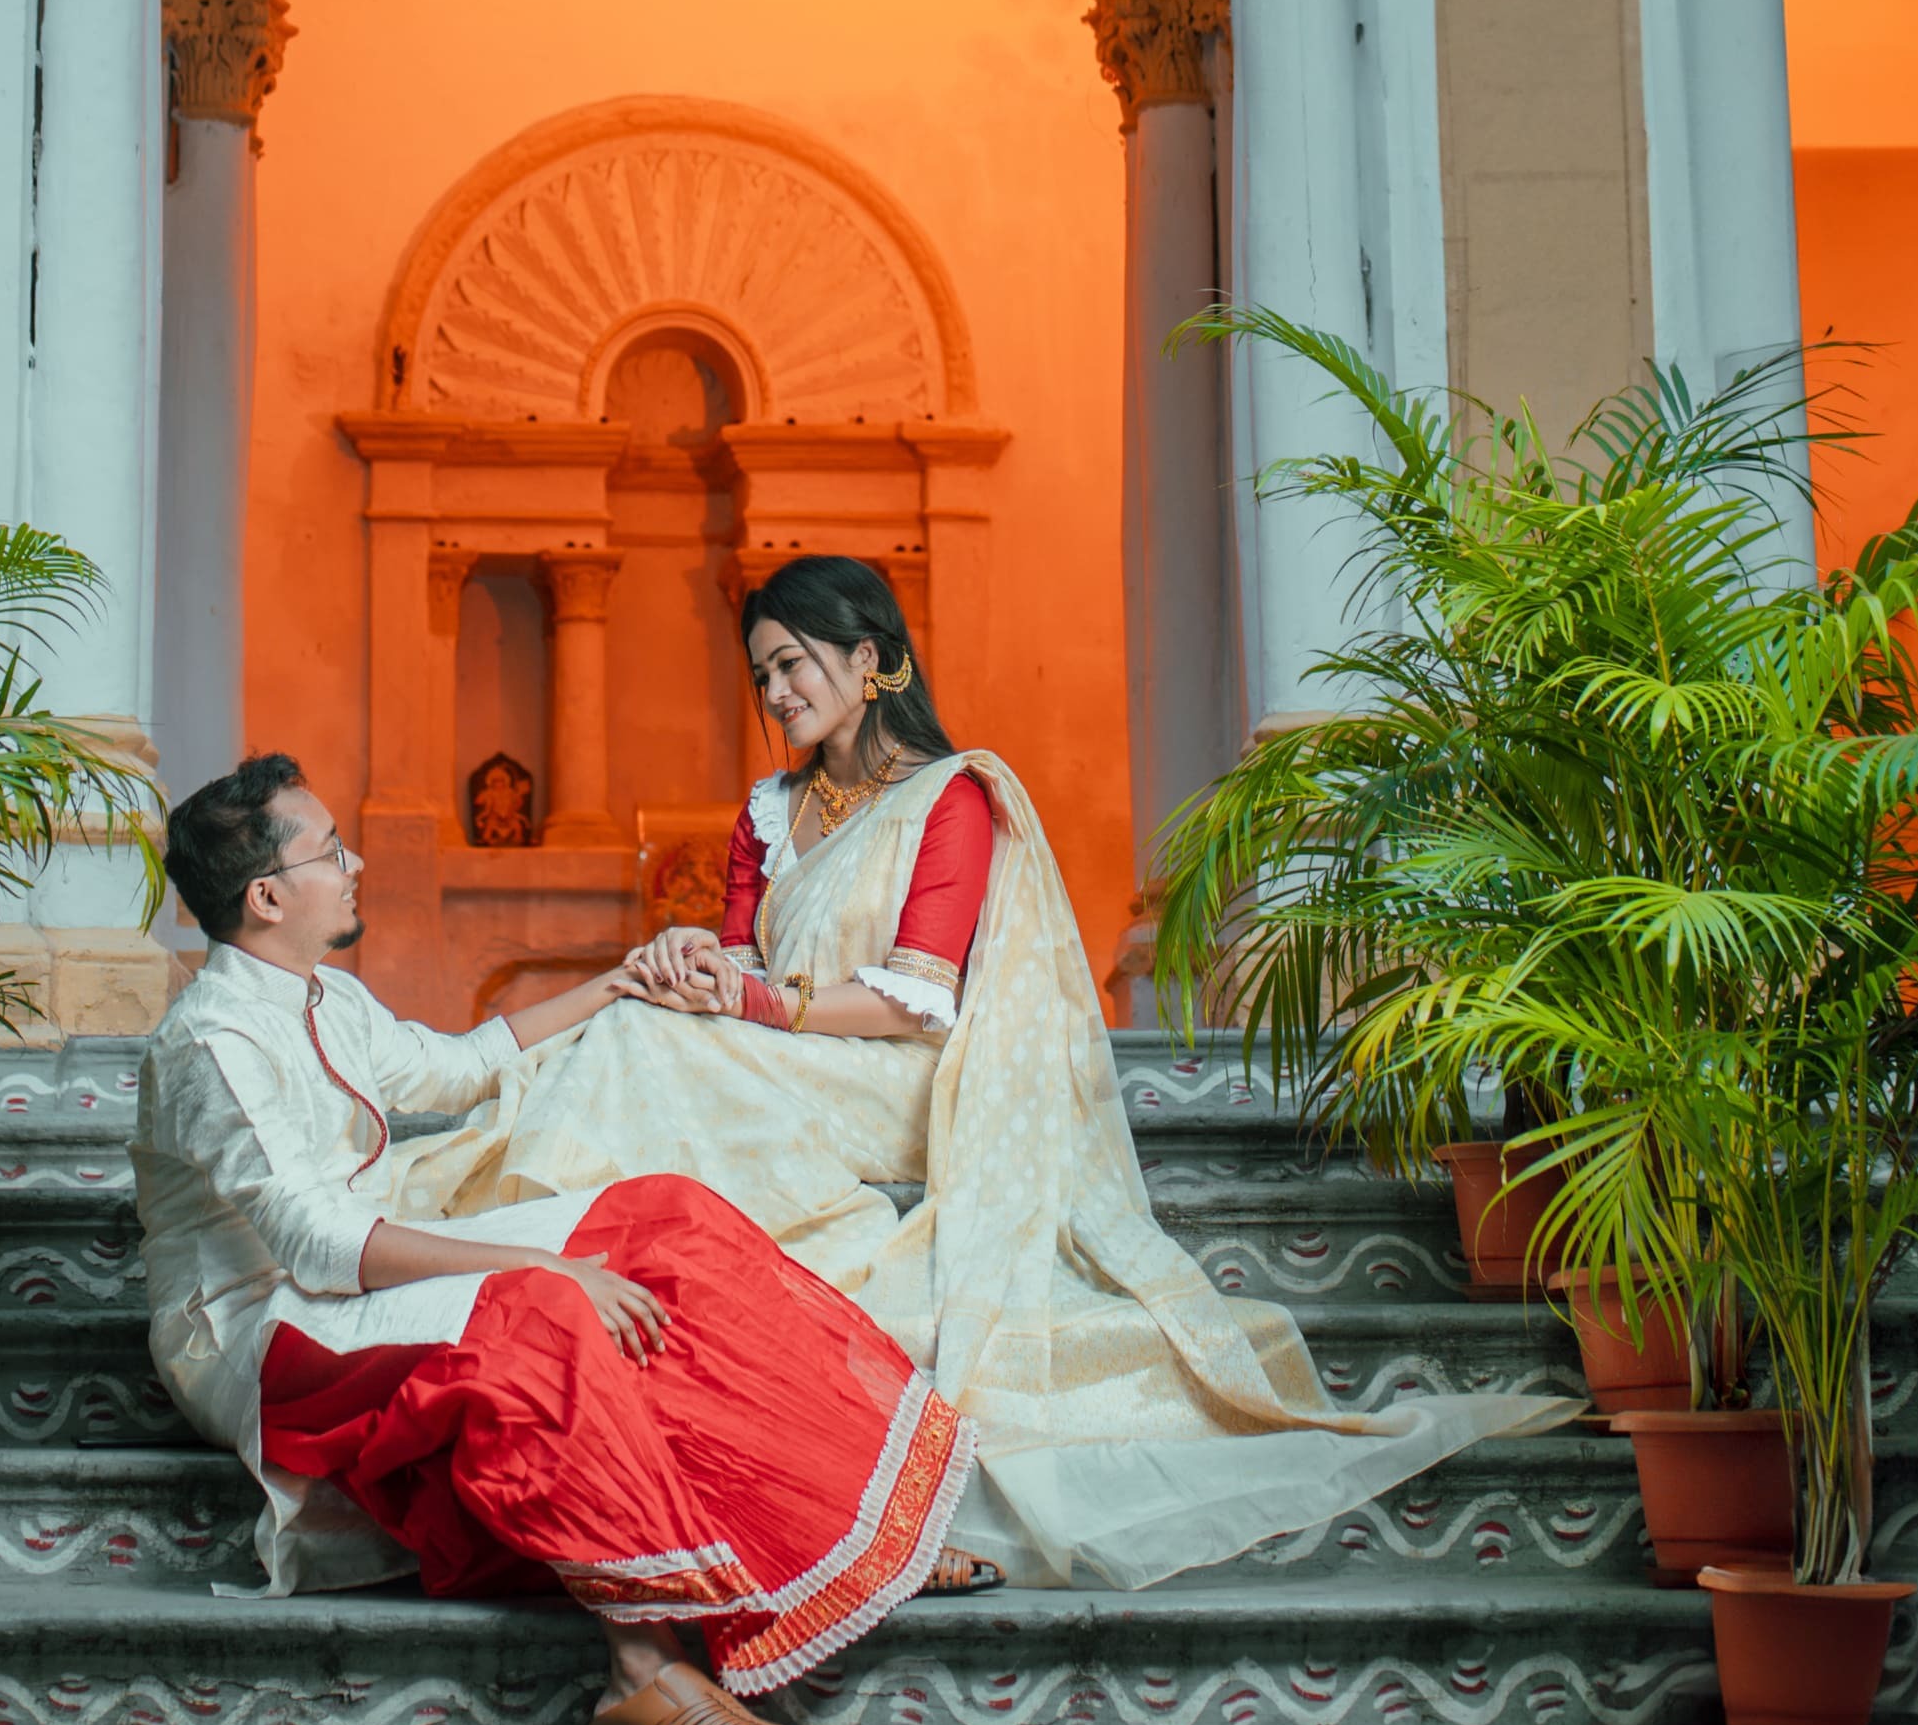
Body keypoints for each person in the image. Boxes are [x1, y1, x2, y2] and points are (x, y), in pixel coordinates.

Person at [382, 554, 1572, 1591]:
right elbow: (741, 958)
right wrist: (701, 961)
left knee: (647, 1040)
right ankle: (542, 1236)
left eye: (795, 664)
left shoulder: (951, 798)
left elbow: (916, 998)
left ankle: (514, 1234)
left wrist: (747, 999)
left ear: (870, 661)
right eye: (763, 674)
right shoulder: (766, 810)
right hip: (777, 1053)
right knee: (643, 1018)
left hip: (889, 1075)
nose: (778, 692)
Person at [133, 747, 990, 1725]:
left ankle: (825, 1527)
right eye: (332, 849)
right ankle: (641, 1671)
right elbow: (320, 1248)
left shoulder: (322, 995)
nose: (354, 862)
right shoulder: (212, 1039)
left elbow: (457, 1069)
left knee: (663, 1219)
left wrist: (616, 983)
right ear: (269, 894)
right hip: (265, 1329)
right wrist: (535, 1273)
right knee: (542, 1325)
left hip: (350, 1271)